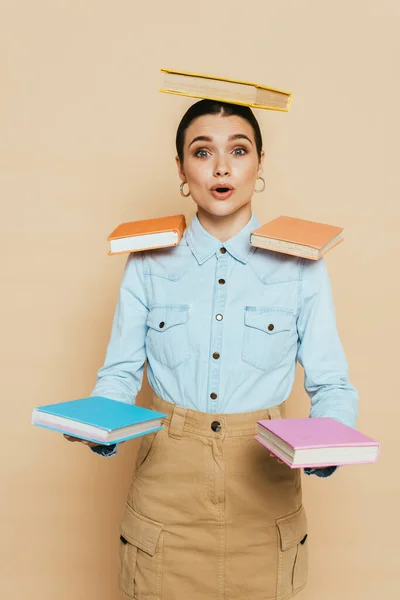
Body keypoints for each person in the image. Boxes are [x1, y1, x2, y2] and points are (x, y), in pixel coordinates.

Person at [65, 99, 358, 599]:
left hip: (264, 496)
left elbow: (332, 385)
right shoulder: (148, 262)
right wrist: (99, 424)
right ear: (181, 168)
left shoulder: (302, 266)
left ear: (259, 164)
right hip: (165, 499)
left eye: (238, 150)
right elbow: (119, 372)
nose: (221, 167)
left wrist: (327, 447)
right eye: (203, 152)